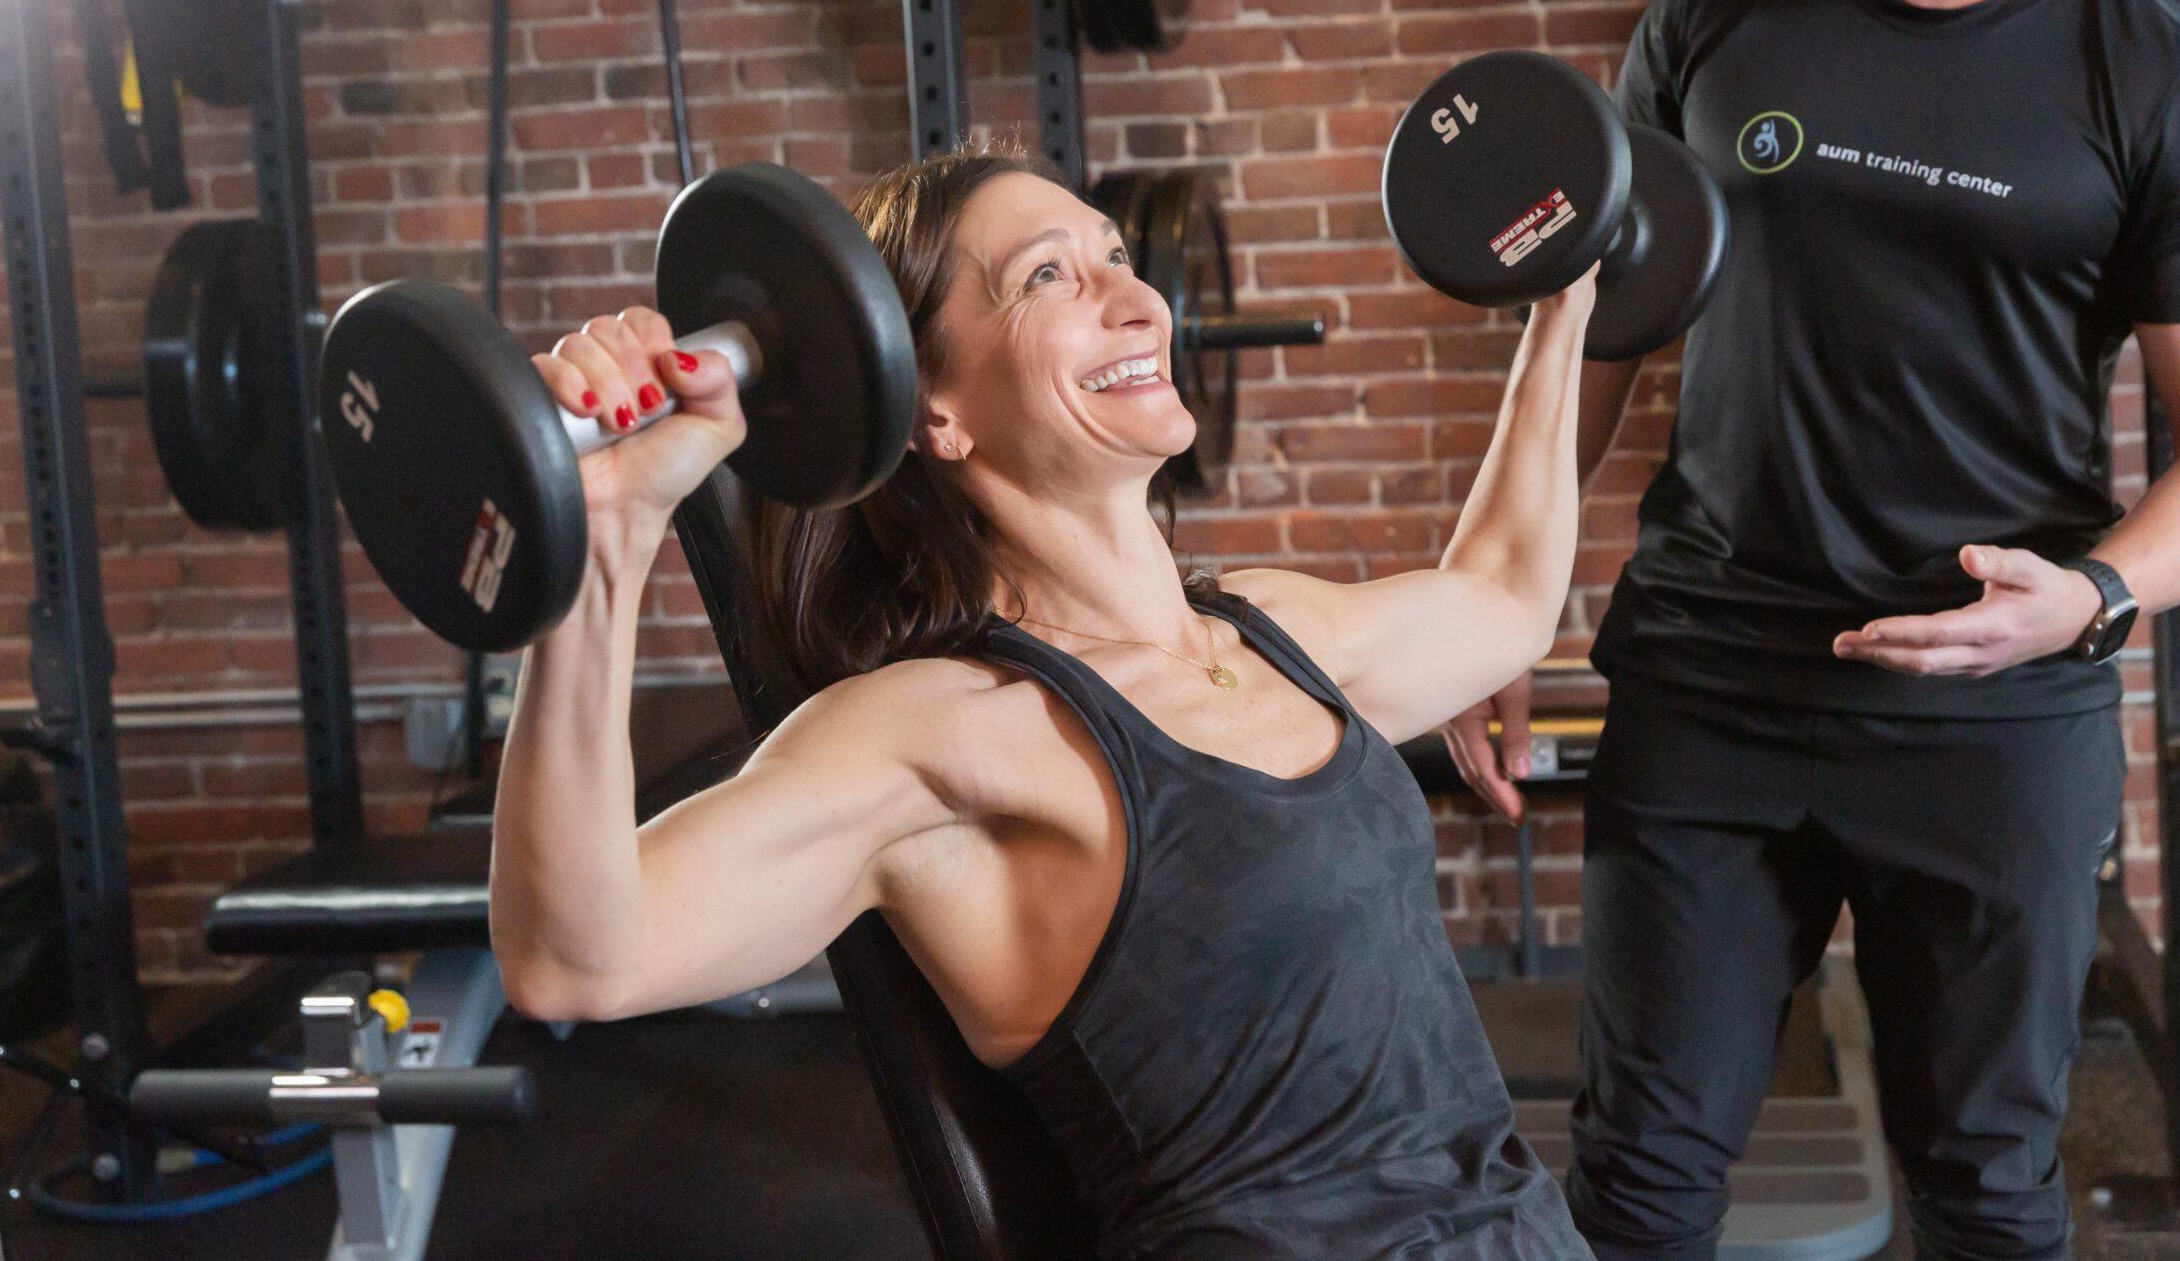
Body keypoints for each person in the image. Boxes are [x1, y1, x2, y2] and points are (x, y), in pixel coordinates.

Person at [1447, 0, 2180, 1261]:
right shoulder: (1716, 23)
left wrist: (2097, 595)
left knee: (1986, 1187)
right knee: (1634, 1180)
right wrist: (1495, 596)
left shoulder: (2165, 87)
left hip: (1990, 711)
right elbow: (1587, 344)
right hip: (1710, 677)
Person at [488, 148, 1602, 1258]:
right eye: (1047, 279)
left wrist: (1569, 290)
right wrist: (604, 547)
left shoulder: (1274, 635)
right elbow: (578, 957)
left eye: (1115, 257)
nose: (1135, 302)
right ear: (935, 413)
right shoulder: (947, 730)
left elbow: (1503, 594)